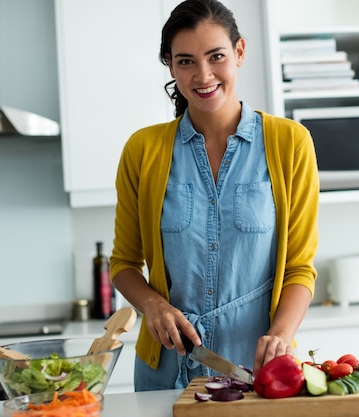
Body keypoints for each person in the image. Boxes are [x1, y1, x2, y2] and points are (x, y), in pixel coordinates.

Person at [110, 0, 319, 391]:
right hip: (166, 370)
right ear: (170, 66)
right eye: (186, 61)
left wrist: (280, 334)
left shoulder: (290, 143)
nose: (203, 75)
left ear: (239, 52)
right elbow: (123, 263)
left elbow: (299, 268)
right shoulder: (143, 150)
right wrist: (153, 305)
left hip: (259, 371)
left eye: (216, 56)